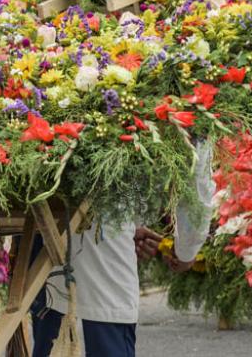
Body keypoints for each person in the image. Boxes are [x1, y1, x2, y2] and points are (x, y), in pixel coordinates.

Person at [31, 138, 215, 357]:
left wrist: (134, 225)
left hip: (44, 221)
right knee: (106, 328)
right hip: (105, 234)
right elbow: (195, 185)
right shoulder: (191, 113)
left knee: (51, 332)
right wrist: (187, 250)